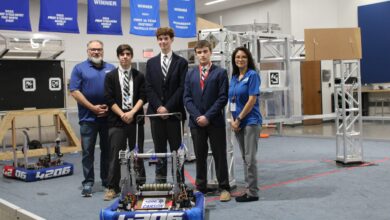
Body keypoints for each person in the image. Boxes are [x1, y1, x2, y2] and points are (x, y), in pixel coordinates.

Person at [183, 40, 231, 202]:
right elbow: (187, 98)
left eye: (205, 51)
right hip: (196, 123)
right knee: (200, 155)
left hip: (215, 122)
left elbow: (222, 97)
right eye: (199, 52)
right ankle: (201, 187)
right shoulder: (190, 74)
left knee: (219, 155)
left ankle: (224, 187)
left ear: (210, 52)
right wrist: (198, 116)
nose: (202, 55)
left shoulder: (220, 73)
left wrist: (208, 116)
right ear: (195, 54)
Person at [69, 40, 115, 197]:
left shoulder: (111, 68)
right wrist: (92, 108)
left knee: (107, 151)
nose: (96, 52)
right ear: (87, 51)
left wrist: (110, 108)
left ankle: (107, 181)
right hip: (88, 119)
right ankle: (88, 182)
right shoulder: (79, 68)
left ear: (103, 51)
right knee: (88, 152)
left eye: (99, 49)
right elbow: (74, 91)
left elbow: (116, 91)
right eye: (93, 49)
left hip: (107, 118)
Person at [103, 44, 147, 201]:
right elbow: (109, 99)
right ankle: (112, 187)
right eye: (122, 54)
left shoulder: (139, 76)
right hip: (117, 121)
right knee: (116, 155)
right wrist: (122, 114)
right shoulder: (110, 76)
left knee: (137, 153)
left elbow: (144, 96)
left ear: (131, 56)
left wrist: (132, 112)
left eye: (128, 54)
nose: (125, 56)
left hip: (135, 121)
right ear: (118, 57)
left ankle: (141, 185)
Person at [145, 27, 188, 183]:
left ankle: (179, 183)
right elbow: (148, 87)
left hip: (174, 115)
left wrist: (167, 108)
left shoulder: (181, 62)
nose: (163, 41)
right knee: (159, 151)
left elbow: (182, 88)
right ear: (157, 41)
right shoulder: (150, 63)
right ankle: (160, 183)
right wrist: (158, 107)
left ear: (171, 40)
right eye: (160, 39)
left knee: (177, 151)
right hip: (156, 115)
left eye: (166, 38)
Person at [228, 46, 262, 202]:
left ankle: (253, 193)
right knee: (244, 157)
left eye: (243, 57)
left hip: (250, 121)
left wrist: (239, 119)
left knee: (250, 158)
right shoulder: (234, 77)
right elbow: (231, 100)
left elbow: (252, 99)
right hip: (237, 123)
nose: (240, 59)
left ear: (248, 59)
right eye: (237, 57)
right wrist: (232, 120)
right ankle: (249, 188)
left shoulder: (252, 75)